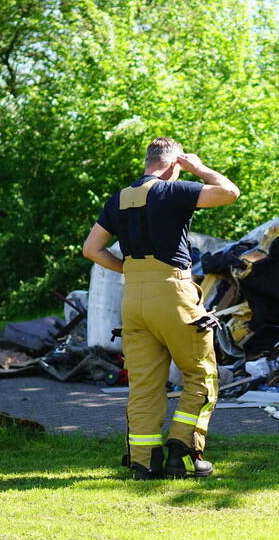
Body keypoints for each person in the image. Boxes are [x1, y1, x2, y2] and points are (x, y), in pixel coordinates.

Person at [83, 137, 239, 480]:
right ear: (173, 164)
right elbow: (229, 192)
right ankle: (183, 453)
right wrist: (199, 169)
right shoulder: (175, 190)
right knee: (201, 374)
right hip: (173, 293)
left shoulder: (118, 199)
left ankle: (143, 462)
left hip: (133, 299)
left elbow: (92, 249)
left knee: (144, 385)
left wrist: (128, 269)